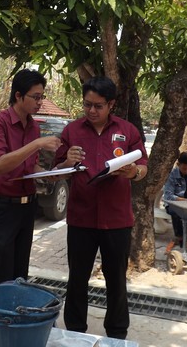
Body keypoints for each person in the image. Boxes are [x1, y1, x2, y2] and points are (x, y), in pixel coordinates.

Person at [54, 76, 148, 340]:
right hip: (81, 218)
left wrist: (132, 172)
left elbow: (143, 166)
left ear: (111, 104)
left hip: (116, 220)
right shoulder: (72, 131)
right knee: (77, 278)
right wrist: (66, 162)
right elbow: (56, 171)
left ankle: (116, 334)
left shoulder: (127, 131)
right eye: (87, 104)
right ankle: (75, 332)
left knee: (116, 279)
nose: (92, 110)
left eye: (98, 106)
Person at [0, 69, 62, 286]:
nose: (40, 102)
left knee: (19, 274)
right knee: (1, 275)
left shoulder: (33, 126)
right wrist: (36, 144)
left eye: (42, 97)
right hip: (3, 208)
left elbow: (28, 165)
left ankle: (16, 308)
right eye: (35, 97)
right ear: (18, 95)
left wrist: (47, 175)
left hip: (27, 207)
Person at [163, 151, 187, 248]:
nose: (186, 171)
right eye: (184, 168)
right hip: (173, 203)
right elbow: (168, 196)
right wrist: (184, 201)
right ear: (178, 164)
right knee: (178, 212)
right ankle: (180, 238)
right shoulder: (171, 176)